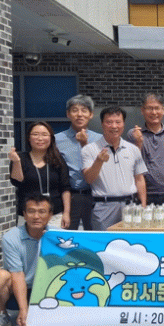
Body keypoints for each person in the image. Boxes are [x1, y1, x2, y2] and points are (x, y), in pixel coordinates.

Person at [0, 194, 52, 326]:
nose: (36, 216)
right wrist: (23, 309)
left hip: (47, 290)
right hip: (20, 290)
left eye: (42, 212)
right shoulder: (11, 237)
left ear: (50, 215)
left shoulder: (59, 236)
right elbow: (17, 275)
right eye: (31, 211)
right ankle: (2, 315)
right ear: (24, 215)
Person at [82, 106, 147, 231]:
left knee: (131, 241)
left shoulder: (133, 149)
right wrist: (98, 161)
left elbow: (139, 178)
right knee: (103, 242)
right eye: (109, 122)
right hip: (103, 207)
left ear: (123, 124)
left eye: (118, 122)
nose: (114, 126)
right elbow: (89, 179)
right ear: (102, 124)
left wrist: (143, 206)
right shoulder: (89, 149)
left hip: (130, 206)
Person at [127, 93, 164, 205]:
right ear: (142, 110)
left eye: (157, 108)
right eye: (150, 108)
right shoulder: (134, 134)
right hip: (145, 193)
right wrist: (138, 142)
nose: (154, 112)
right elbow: (132, 163)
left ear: (163, 110)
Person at [9, 121, 70, 229]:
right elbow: (17, 181)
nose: (40, 138)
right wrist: (16, 162)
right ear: (29, 138)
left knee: (52, 240)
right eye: (35, 134)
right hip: (28, 215)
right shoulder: (21, 158)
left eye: (44, 134)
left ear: (51, 138)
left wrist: (66, 213)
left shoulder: (58, 160)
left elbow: (65, 188)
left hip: (54, 215)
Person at [55, 94, 102, 230]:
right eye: (75, 110)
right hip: (68, 196)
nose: (79, 114)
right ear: (68, 114)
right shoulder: (57, 139)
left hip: (94, 196)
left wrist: (85, 144)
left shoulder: (100, 139)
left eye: (84, 110)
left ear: (91, 114)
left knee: (93, 237)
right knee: (67, 237)